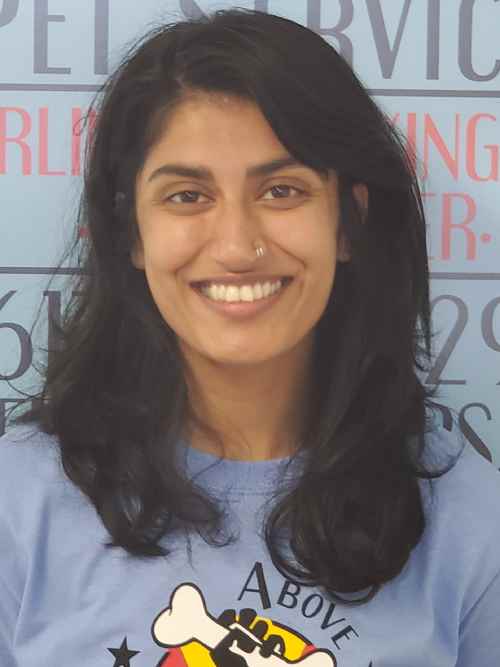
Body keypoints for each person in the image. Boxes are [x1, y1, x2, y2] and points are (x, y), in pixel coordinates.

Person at [1, 7, 499, 667]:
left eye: (282, 189)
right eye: (186, 195)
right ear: (130, 233)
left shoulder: (473, 523)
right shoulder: (16, 504)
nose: (237, 246)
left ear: (347, 222)